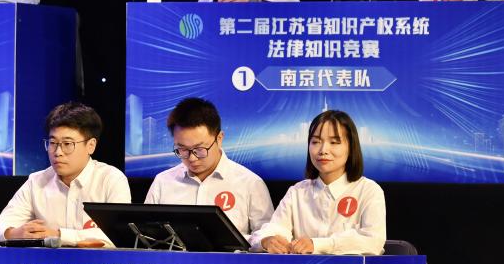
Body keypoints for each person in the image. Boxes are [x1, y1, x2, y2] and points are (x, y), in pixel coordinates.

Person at [0, 102, 129, 245]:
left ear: (91, 145)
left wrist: (58, 235)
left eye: (67, 144)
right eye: (52, 143)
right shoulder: (36, 182)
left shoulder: (111, 179)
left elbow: (118, 236)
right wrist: (14, 234)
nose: (58, 152)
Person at [252, 110, 386, 255]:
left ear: (351, 147)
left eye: (334, 142)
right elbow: (274, 228)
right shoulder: (297, 192)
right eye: (315, 142)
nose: (323, 150)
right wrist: (267, 240)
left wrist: (316, 244)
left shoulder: (368, 191)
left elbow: (373, 242)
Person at [144, 97, 273, 240]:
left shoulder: (250, 184)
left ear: (219, 138)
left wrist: (262, 240)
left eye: (199, 149)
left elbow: (268, 237)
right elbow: (146, 234)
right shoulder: (163, 182)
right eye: (182, 149)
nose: (192, 158)